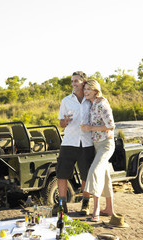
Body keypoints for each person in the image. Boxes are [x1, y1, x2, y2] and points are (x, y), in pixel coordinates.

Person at [56, 71, 95, 215]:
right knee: (62, 174)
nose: (73, 84)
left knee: (86, 176)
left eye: (76, 81)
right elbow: (60, 122)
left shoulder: (91, 100)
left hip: (86, 143)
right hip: (69, 142)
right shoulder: (66, 101)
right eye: (72, 81)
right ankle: (62, 205)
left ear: (84, 82)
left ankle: (85, 204)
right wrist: (64, 122)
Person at [81, 79, 115, 221]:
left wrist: (90, 128)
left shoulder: (102, 104)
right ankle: (109, 209)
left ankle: (96, 210)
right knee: (105, 174)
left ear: (95, 90)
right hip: (97, 145)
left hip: (106, 145)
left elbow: (111, 126)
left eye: (89, 89)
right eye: (85, 89)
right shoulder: (91, 103)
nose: (86, 91)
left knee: (94, 172)